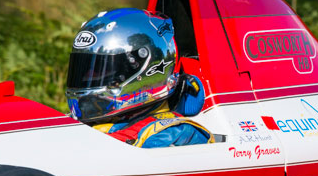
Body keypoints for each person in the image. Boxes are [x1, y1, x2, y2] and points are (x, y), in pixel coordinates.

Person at [65, 8, 212, 148]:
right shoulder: (70, 125)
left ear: (141, 68)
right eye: (83, 68)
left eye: (98, 69)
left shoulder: (172, 136)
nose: (87, 76)